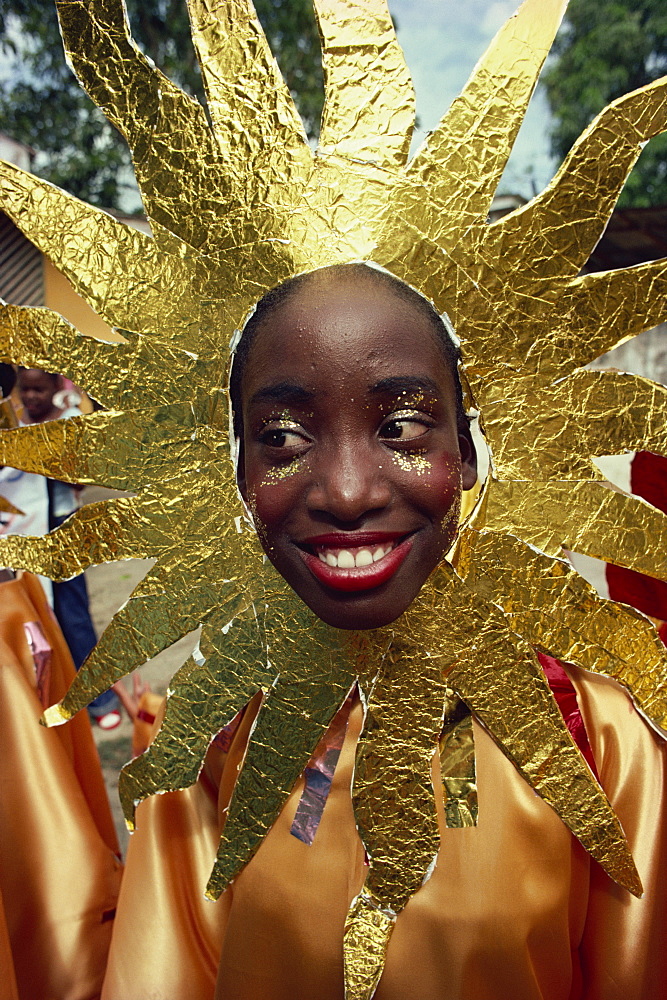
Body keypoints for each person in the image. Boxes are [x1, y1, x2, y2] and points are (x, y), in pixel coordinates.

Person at [100, 265, 667, 1000]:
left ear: (463, 454)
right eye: (280, 436)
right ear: (236, 472)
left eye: (399, 427)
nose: (346, 491)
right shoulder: (211, 739)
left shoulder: (601, 743)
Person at [0, 368, 121, 728]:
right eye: (27, 390)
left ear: (57, 387)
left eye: (40, 389)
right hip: (22, 534)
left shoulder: (67, 420)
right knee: (31, 619)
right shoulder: (15, 424)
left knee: (73, 616)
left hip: (61, 534)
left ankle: (100, 700)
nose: (33, 396)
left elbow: (80, 475)